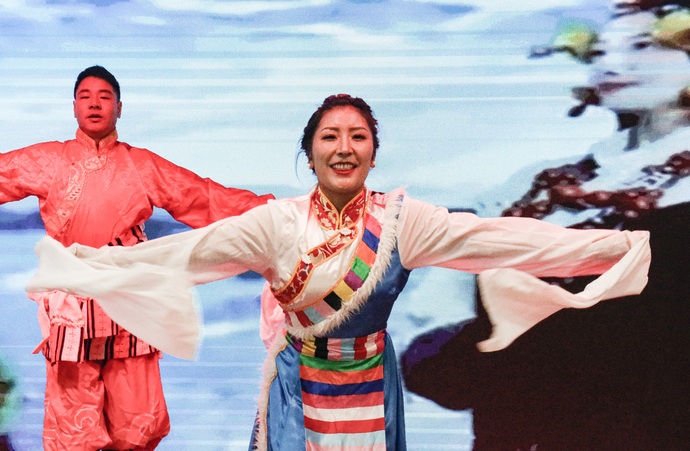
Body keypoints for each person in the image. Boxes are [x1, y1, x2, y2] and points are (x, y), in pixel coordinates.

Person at [26, 94, 651, 451]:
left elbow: (499, 241)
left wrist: (614, 247)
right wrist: (86, 266)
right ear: (310, 153)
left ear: (374, 152)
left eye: (358, 137)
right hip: (297, 386)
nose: (344, 148)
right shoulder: (275, 224)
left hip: (372, 384)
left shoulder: (405, 222)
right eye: (330, 137)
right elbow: (183, 255)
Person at [402, 1, 690, 449]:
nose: (613, 63)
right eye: (600, 51)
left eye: (643, 46)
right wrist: (448, 348)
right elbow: (442, 296)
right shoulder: (536, 180)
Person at [0, 65, 273, 451]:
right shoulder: (48, 160)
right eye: (85, 97)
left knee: (137, 425)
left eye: (104, 97)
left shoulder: (141, 165)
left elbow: (201, 197)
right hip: (71, 304)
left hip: (129, 299)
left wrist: (272, 212)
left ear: (120, 107)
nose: (95, 104)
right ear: (74, 107)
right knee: (72, 428)